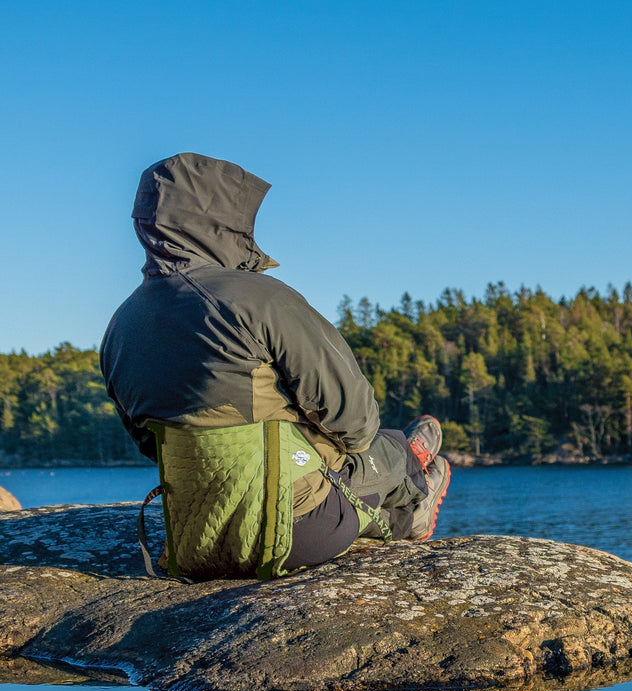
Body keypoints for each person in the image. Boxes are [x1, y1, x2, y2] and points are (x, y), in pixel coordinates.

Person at [100, 152, 450, 577]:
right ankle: (416, 493)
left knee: (365, 455)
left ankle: (408, 479)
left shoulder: (120, 326)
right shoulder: (257, 297)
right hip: (297, 530)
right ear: (223, 221)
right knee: (386, 447)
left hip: (198, 541)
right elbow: (355, 421)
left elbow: (151, 447)